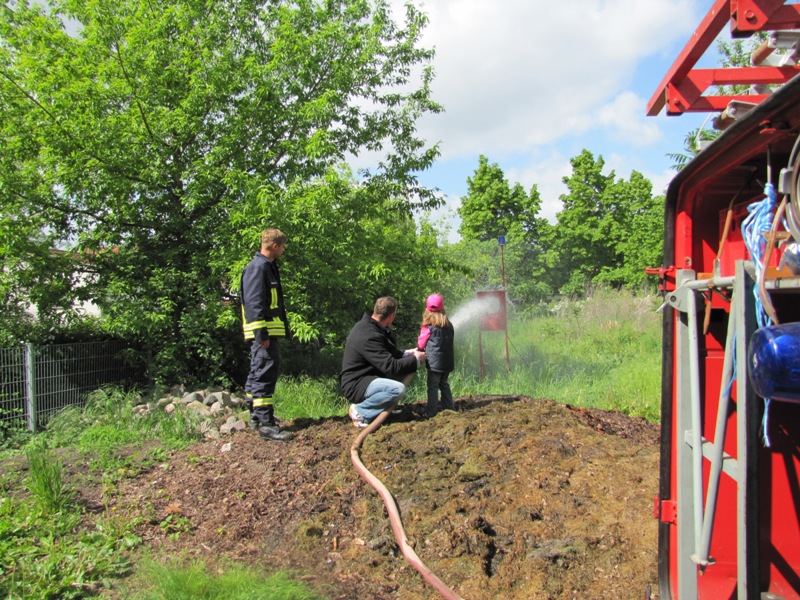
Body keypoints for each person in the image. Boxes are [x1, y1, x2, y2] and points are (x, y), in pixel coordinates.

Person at [340, 296, 426, 428]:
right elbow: (391, 367)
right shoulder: (369, 335)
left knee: (403, 370)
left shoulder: (372, 327)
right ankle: (360, 410)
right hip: (356, 384)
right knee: (397, 389)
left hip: (368, 377)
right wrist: (416, 360)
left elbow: (392, 353)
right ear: (392, 316)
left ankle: (382, 409)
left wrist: (410, 353)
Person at [240, 228, 293, 441]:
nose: (283, 250)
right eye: (282, 246)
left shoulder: (267, 267)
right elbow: (254, 303)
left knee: (257, 371)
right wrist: (261, 334)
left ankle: (256, 416)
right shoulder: (258, 268)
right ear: (274, 246)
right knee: (264, 374)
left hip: (267, 332)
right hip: (264, 333)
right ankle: (266, 424)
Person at [417, 293, 455, 417]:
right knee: (444, 384)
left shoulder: (428, 327)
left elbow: (421, 344)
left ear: (427, 310)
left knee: (433, 386)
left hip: (434, 364)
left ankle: (431, 411)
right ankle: (450, 408)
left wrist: (420, 349)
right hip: (447, 362)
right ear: (443, 308)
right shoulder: (449, 325)